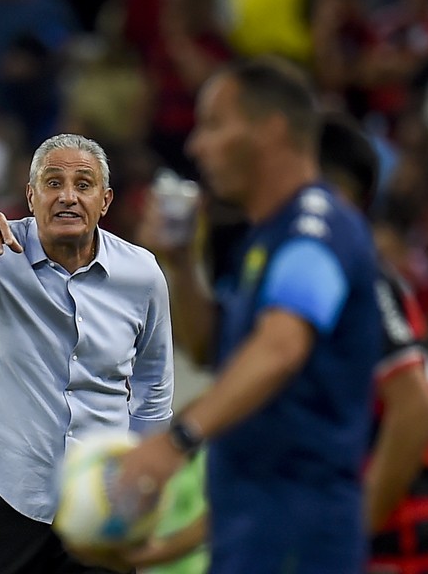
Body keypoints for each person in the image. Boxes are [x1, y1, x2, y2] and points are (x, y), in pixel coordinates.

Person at [116, 59, 383, 573]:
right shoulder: (264, 240)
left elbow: (282, 348)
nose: (196, 146)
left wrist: (177, 441)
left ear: (271, 130)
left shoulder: (316, 232)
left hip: (298, 529)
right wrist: (181, 265)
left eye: (214, 125)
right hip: (248, 523)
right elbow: (209, 349)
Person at [0, 133, 174, 573]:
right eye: (53, 183)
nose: (67, 196)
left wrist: (141, 483)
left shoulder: (141, 274)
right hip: (4, 491)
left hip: (103, 499)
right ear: (31, 196)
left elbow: (153, 388)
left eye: (83, 185)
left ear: (105, 200)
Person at [320, 114, 428, 574]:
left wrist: (348, 545)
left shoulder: (359, 276)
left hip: (415, 542)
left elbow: (415, 408)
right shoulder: (327, 277)